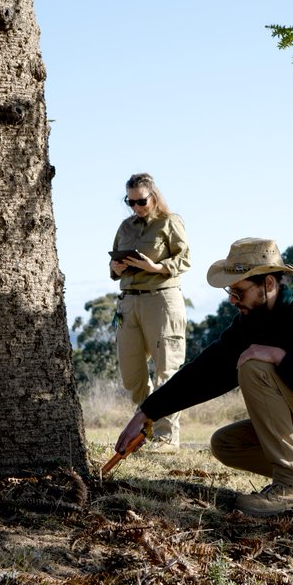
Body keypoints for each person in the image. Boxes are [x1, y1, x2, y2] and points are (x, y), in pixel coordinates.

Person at [112, 238, 293, 517]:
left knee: (254, 364)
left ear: (268, 285)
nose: (233, 300)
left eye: (239, 291)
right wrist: (147, 412)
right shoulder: (251, 322)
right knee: (227, 444)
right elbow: (205, 371)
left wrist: (279, 357)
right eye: (230, 291)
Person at [109, 172, 191, 452]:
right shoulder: (125, 226)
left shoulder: (170, 222)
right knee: (132, 373)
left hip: (162, 299)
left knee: (167, 369)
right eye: (129, 202)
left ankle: (167, 438)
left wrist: (156, 268)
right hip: (128, 301)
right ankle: (146, 430)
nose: (135, 207)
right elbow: (113, 263)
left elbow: (185, 259)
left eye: (140, 201)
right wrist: (116, 268)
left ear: (153, 197)